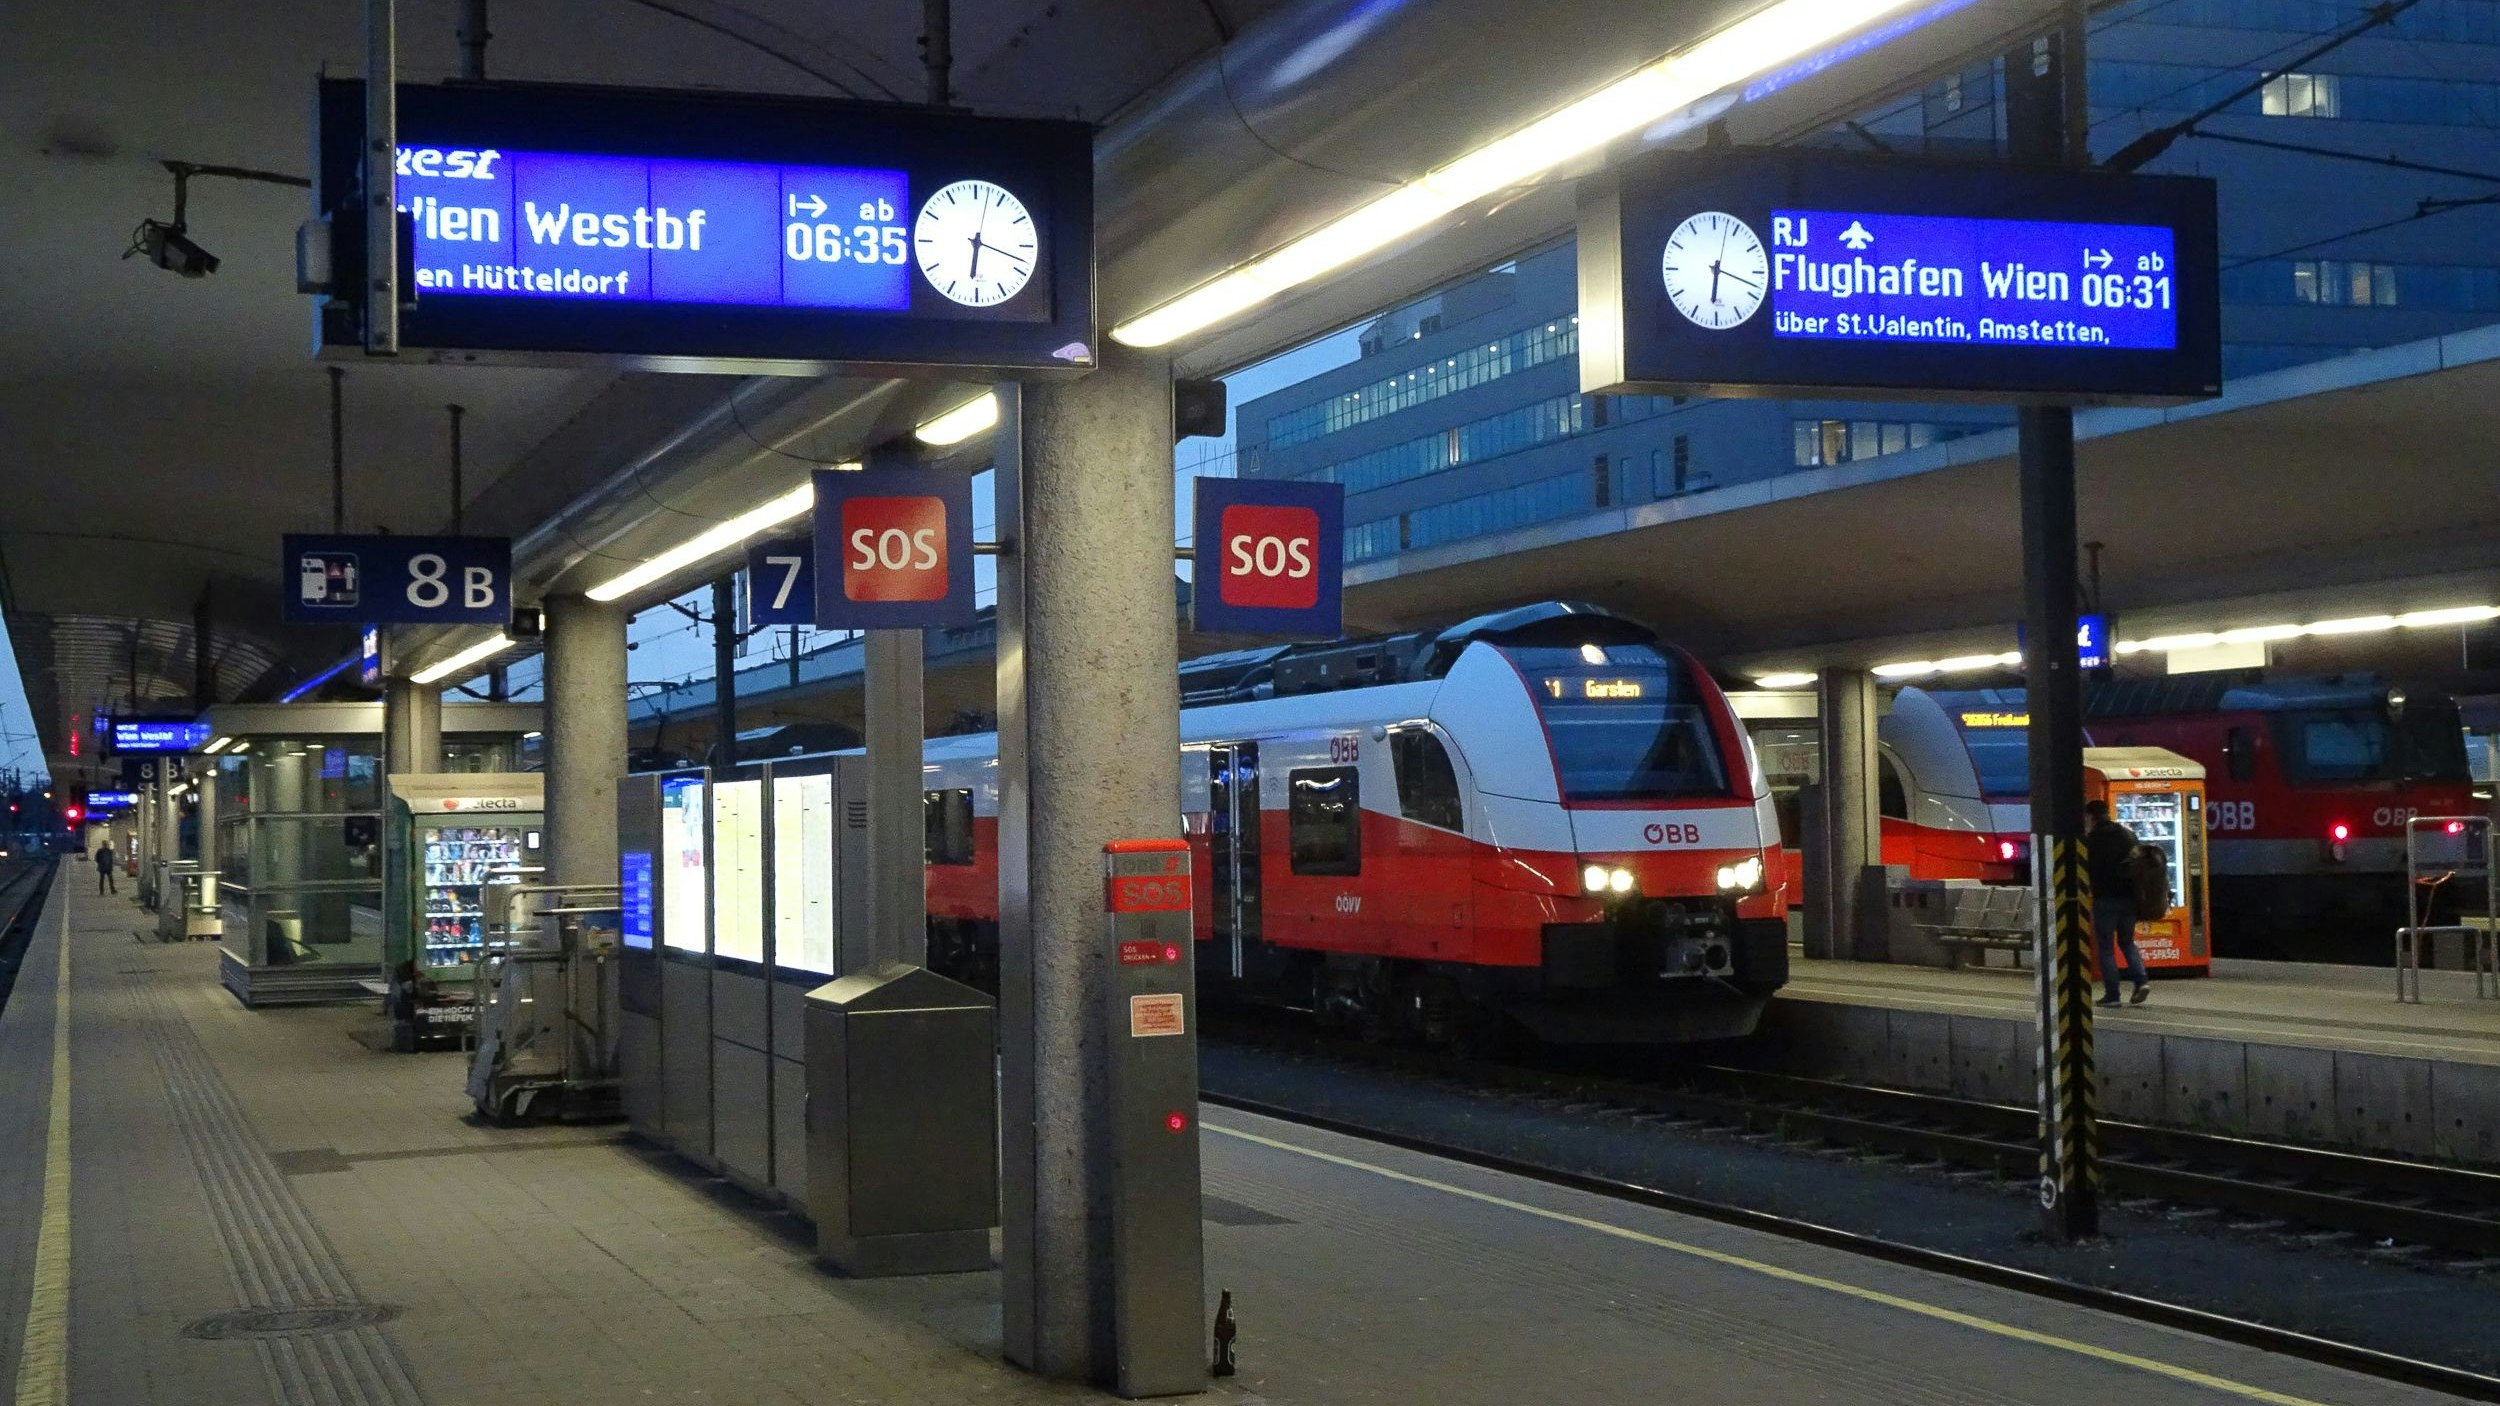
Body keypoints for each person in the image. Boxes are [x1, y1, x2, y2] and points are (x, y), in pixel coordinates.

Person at [2083, 800, 2148, 1007]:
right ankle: (2141, 981)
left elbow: (2083, 869)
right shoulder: (2127, 835)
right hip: (2129, 899)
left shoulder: (2090, 840)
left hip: (2105, 900)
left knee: (2106, 947)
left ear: (2091, 817)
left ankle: (2113, 994)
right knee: (2127, 942)